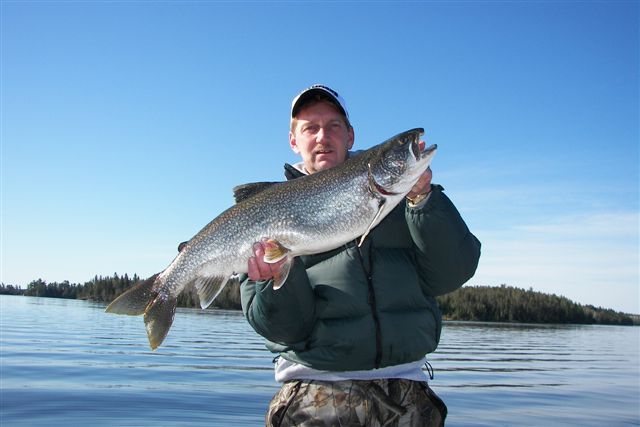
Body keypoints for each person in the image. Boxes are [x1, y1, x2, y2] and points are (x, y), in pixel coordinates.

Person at [240, 84, 481, 427]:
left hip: (408, 391)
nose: (323, 136)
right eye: (310, 128)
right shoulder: (265, 216)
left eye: (334, 126)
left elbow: (452, 273)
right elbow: (283, 330)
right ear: (294, 141)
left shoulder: (407, 199)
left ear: (350, 136)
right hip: (314, 393)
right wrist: (274, 280)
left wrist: (424, 200)